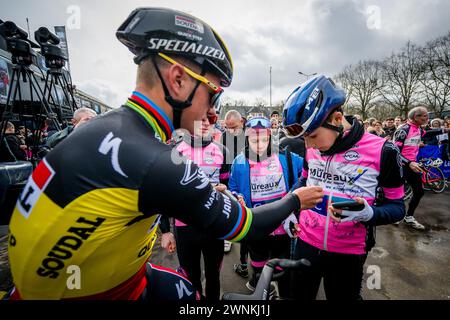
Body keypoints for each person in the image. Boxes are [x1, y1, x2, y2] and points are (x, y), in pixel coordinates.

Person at [7, 7, 323, 300]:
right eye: (213, 95)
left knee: (187, 287)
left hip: (91, 278)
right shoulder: (156, 161)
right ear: (178, 79)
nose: (213, 113)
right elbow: (247, 226)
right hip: (101, 291)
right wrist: (297, 200)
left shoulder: (107, 128)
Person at [282, 75, 406, 300]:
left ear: (337, 119)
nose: (307, 146)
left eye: (312, 136)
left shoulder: (384, 151)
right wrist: (291, 205)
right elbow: (304, 180)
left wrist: (370, 215)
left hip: (348, 252)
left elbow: (398, 207)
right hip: (306, 242)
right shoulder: (312, 148)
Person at [229, 116, 303, 298]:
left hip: (282, 227)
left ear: (270, 137)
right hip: (256, 226)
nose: (260, 145)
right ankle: (263, 291)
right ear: (247, 139)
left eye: (264, 139)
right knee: (259, 268)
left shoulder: (285, 157)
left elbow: (307, 173)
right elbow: (233, 188)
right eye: (254, 140)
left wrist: (293, 197)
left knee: (283, 269)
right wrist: (237, 197)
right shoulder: (239, 162)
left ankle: (284, 293)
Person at [159, 115, 230, 300]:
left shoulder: (222, 150)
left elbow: (227, 188)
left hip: (213, 226)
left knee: (214, 277)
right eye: (201, 117)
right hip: (185, 229)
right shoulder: (175, 150)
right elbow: (164, 193)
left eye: (210, 118)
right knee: (191, 280)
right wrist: (166, 230)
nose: (205, 122)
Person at [393, 107, 449, 230]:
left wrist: (444, 130)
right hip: (400, 166)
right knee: (398, 194)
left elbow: (427, 133)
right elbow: (394, 152)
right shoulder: (403, 130)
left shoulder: (418, 129)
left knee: (419, 191)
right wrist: (408, 163)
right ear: (415, 117)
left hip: (412, 165)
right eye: (424, 116)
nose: (427, 118)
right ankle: (396, 215)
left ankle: (409, 217)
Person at [219, 110, 246, 253]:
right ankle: (228, 238)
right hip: (229, 178)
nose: (230, 131)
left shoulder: (250, 135)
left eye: (233, 127)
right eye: (227, 127)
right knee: (228, 209)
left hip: (246, 177)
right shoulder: (224, 137)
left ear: (241, 122)